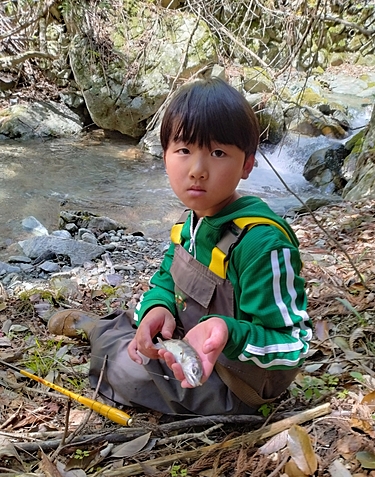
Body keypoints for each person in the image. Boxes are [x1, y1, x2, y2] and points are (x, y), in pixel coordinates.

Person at [48, 76, 312, 416]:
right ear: (165, 157)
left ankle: (94, 329)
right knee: (139, 324)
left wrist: (227, 332)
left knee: (121, 364)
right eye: (184, 150)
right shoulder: (191, 222)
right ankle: (102, 328)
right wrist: (160, 308)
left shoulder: (262, 244)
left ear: (247, 164)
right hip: (190, 342)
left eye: (218, 153)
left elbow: (294, 344)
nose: (197, 171)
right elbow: (166, 280)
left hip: (235, 381)